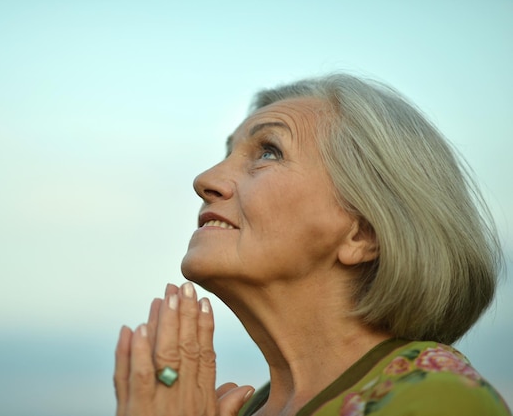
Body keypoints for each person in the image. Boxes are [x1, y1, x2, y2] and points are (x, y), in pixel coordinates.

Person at [113, 73, 511, 416]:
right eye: (227, 154)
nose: (205, 179)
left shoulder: (438, 401)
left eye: (268, 152)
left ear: (363, 232)